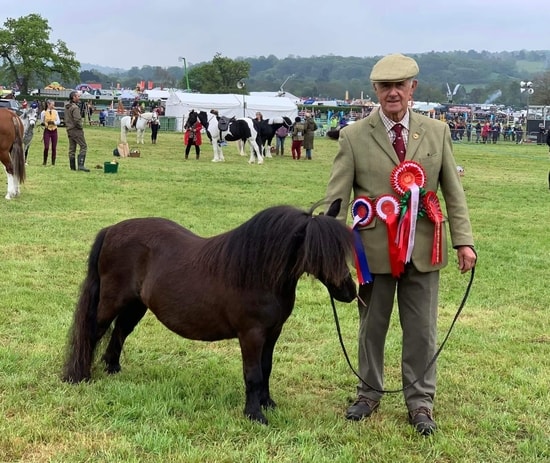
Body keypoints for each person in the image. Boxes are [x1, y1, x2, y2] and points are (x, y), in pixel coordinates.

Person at [325, 53, 476, 436]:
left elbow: (453, 193)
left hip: (425, 251)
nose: (392, 93)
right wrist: (327, 249)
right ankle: (368, 393)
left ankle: (421, 401)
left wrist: (464, 241)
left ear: (413, 89)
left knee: (422, 331)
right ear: (374, 90)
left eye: (400, 85)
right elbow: (337, 199)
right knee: (371, 328)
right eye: (384, 87)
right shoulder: (353, 136)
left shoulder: (437, 132)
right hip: (372, 253)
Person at [64, 91, 89, 172]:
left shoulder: (67, 107)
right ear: (74, 97)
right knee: (83, 146)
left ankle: (72, 167)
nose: (79, 97)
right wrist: (80, 127)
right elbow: (77, 120)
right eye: (78, 96)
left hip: (69, 129)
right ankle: (81, 165)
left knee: (72, 148)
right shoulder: (75, 108)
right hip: (76, 130)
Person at [40, 99, 60, 166]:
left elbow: (58, 121)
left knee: (54, 147)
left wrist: (54, 122)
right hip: (47, 130)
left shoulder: (55, 112)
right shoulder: (43, 112)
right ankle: (44, 161)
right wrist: (44, 123)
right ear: (48, 104)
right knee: (46, 147)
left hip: (54, 130)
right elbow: (42, 121)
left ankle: (53, 162)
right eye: (52, 104)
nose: (53, 106)